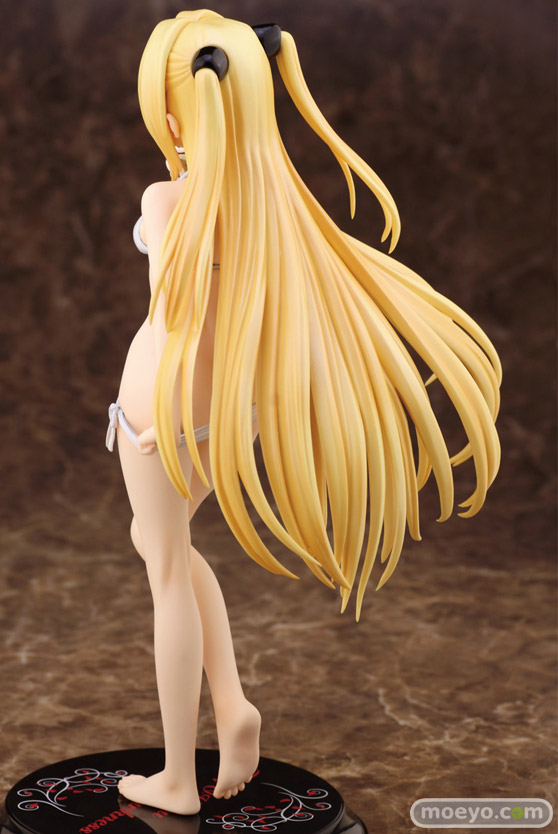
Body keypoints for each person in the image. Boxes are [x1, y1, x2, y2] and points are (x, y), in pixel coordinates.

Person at [108, 10, 501, 815]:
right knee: (164, 546)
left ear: (179, 114)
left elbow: (171, 309)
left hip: (158, 404)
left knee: (165, 568)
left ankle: (178, 777)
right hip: (228, 409)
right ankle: (233, 706)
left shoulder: (166, 199)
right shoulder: (277, 209)